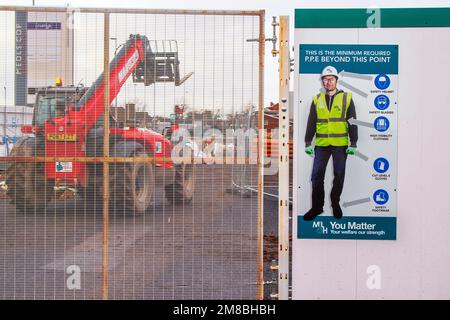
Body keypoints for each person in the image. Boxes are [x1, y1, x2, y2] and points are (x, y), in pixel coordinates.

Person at [303, 66, 358, 221]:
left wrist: (353, 143)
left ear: (336, 81)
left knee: (339, 175)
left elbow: (352, 122)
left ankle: (335, 203)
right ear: (322, 81)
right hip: (322, 144)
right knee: (316, 176)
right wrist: (308, 141)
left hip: (340, 144)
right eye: (325, 79)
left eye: (331, 79)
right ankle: (317, 207)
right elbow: (311, 122)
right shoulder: (317, 99)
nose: (328, 82)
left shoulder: (346, 98)